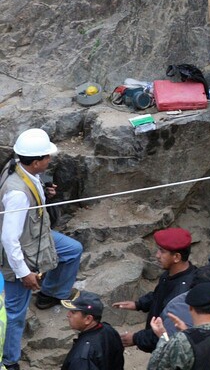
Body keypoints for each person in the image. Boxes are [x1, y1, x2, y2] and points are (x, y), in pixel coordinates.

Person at [0, 128, 83, 370]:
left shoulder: (19, 168)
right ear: (36, 162)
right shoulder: (17, 193)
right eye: (47, 156)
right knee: (15, 312)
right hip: (22, 249)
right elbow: (9, 239)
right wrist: (23, 272)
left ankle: (51, 293)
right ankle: (9, 359)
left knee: (72, 249)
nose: (50, 159)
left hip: (37, 235)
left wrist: (44, 195)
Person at [112, 227, 197, 352]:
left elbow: (166, 332)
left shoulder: (181, 293)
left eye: (162, 251)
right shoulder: (171, 274)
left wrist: (135, 338)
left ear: (177, 257)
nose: (157, 255)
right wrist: (138, 304)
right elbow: (159, 295)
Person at [147, 282, 210, 370]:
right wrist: (186, 331)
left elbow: (155, 367)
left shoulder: (181, 341)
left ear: (190, 308)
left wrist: (163, 336)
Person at [61, 290, 124, 370]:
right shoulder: (109, 330)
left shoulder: (81, 358)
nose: (68, 315)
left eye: (73, 312)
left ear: (88, 319)